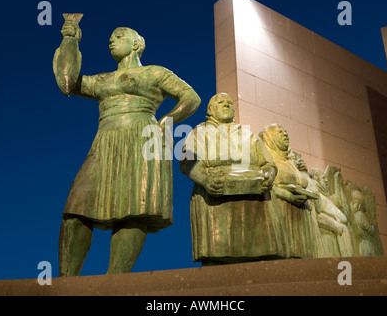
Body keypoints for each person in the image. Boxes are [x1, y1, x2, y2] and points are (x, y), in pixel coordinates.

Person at [54, 18, 201, 276]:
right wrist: (70, 40)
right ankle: (66, 282)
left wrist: (169, 118)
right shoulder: (103, 80)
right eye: (111, 37)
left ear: (135, 44)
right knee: (76, 209)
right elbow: (67, 83)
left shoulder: (154, 73)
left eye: (119, 36)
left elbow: (191, 97)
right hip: (105, 142)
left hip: (142, 138)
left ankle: (115, 281)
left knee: (134, 209)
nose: (111, 40)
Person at [180, 93, 286, 265]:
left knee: (261, 256)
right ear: (210, 110)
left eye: (230, 103)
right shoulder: (199, 133)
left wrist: (268, 175)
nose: (227, 105)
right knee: (219, 259)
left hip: (254, 197)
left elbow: (269, 164)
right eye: (221, 102)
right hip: (215, 195)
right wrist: (205, 179)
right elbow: (187, 161)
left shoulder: (248, 135)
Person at [259, 124, 323, 258]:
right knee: (287, 260)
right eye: (280, 132)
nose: (285, 134)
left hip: (300, 216)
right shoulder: (268, 162)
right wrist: (288, 196)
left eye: (285, 131)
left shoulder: (289, 162)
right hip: (282, 212)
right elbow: (266, 187)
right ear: (270, 137)